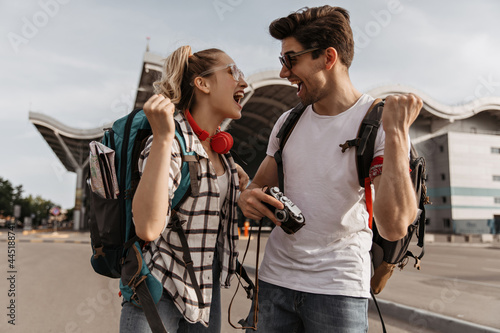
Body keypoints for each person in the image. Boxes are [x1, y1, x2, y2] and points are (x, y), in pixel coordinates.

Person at [238, 5, 423, 332]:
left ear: (328, 57)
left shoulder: (379, 124)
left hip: (337, 292)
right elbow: (256, 188)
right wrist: (249, 199)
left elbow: (394, 226)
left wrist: (396, 134)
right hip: (275, 283)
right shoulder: (287, 122)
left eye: (290, 59)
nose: (284, 72)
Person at [120, 45, 249, 332]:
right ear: (202, 83)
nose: (243, 82)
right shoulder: (171, 141)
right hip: (160, 291)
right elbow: (148, 228)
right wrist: (164, 138)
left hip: (203, 293)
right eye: (233, 72)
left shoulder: (220, 154)